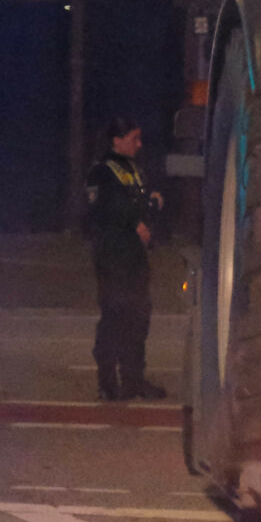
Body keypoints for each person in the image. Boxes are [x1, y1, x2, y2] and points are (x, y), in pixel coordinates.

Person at [87, 118, 164, 401]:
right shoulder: (101, 171)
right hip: (112, 256)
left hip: (135, 257)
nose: (139, 144)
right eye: (134, 138)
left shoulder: (133, 170)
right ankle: (108, 382)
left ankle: (134, 379)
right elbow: (105, 208)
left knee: (138, 317)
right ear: (116, 140)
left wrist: (151, 204)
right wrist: (134, 220)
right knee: (114, 317)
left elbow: (139, 202)